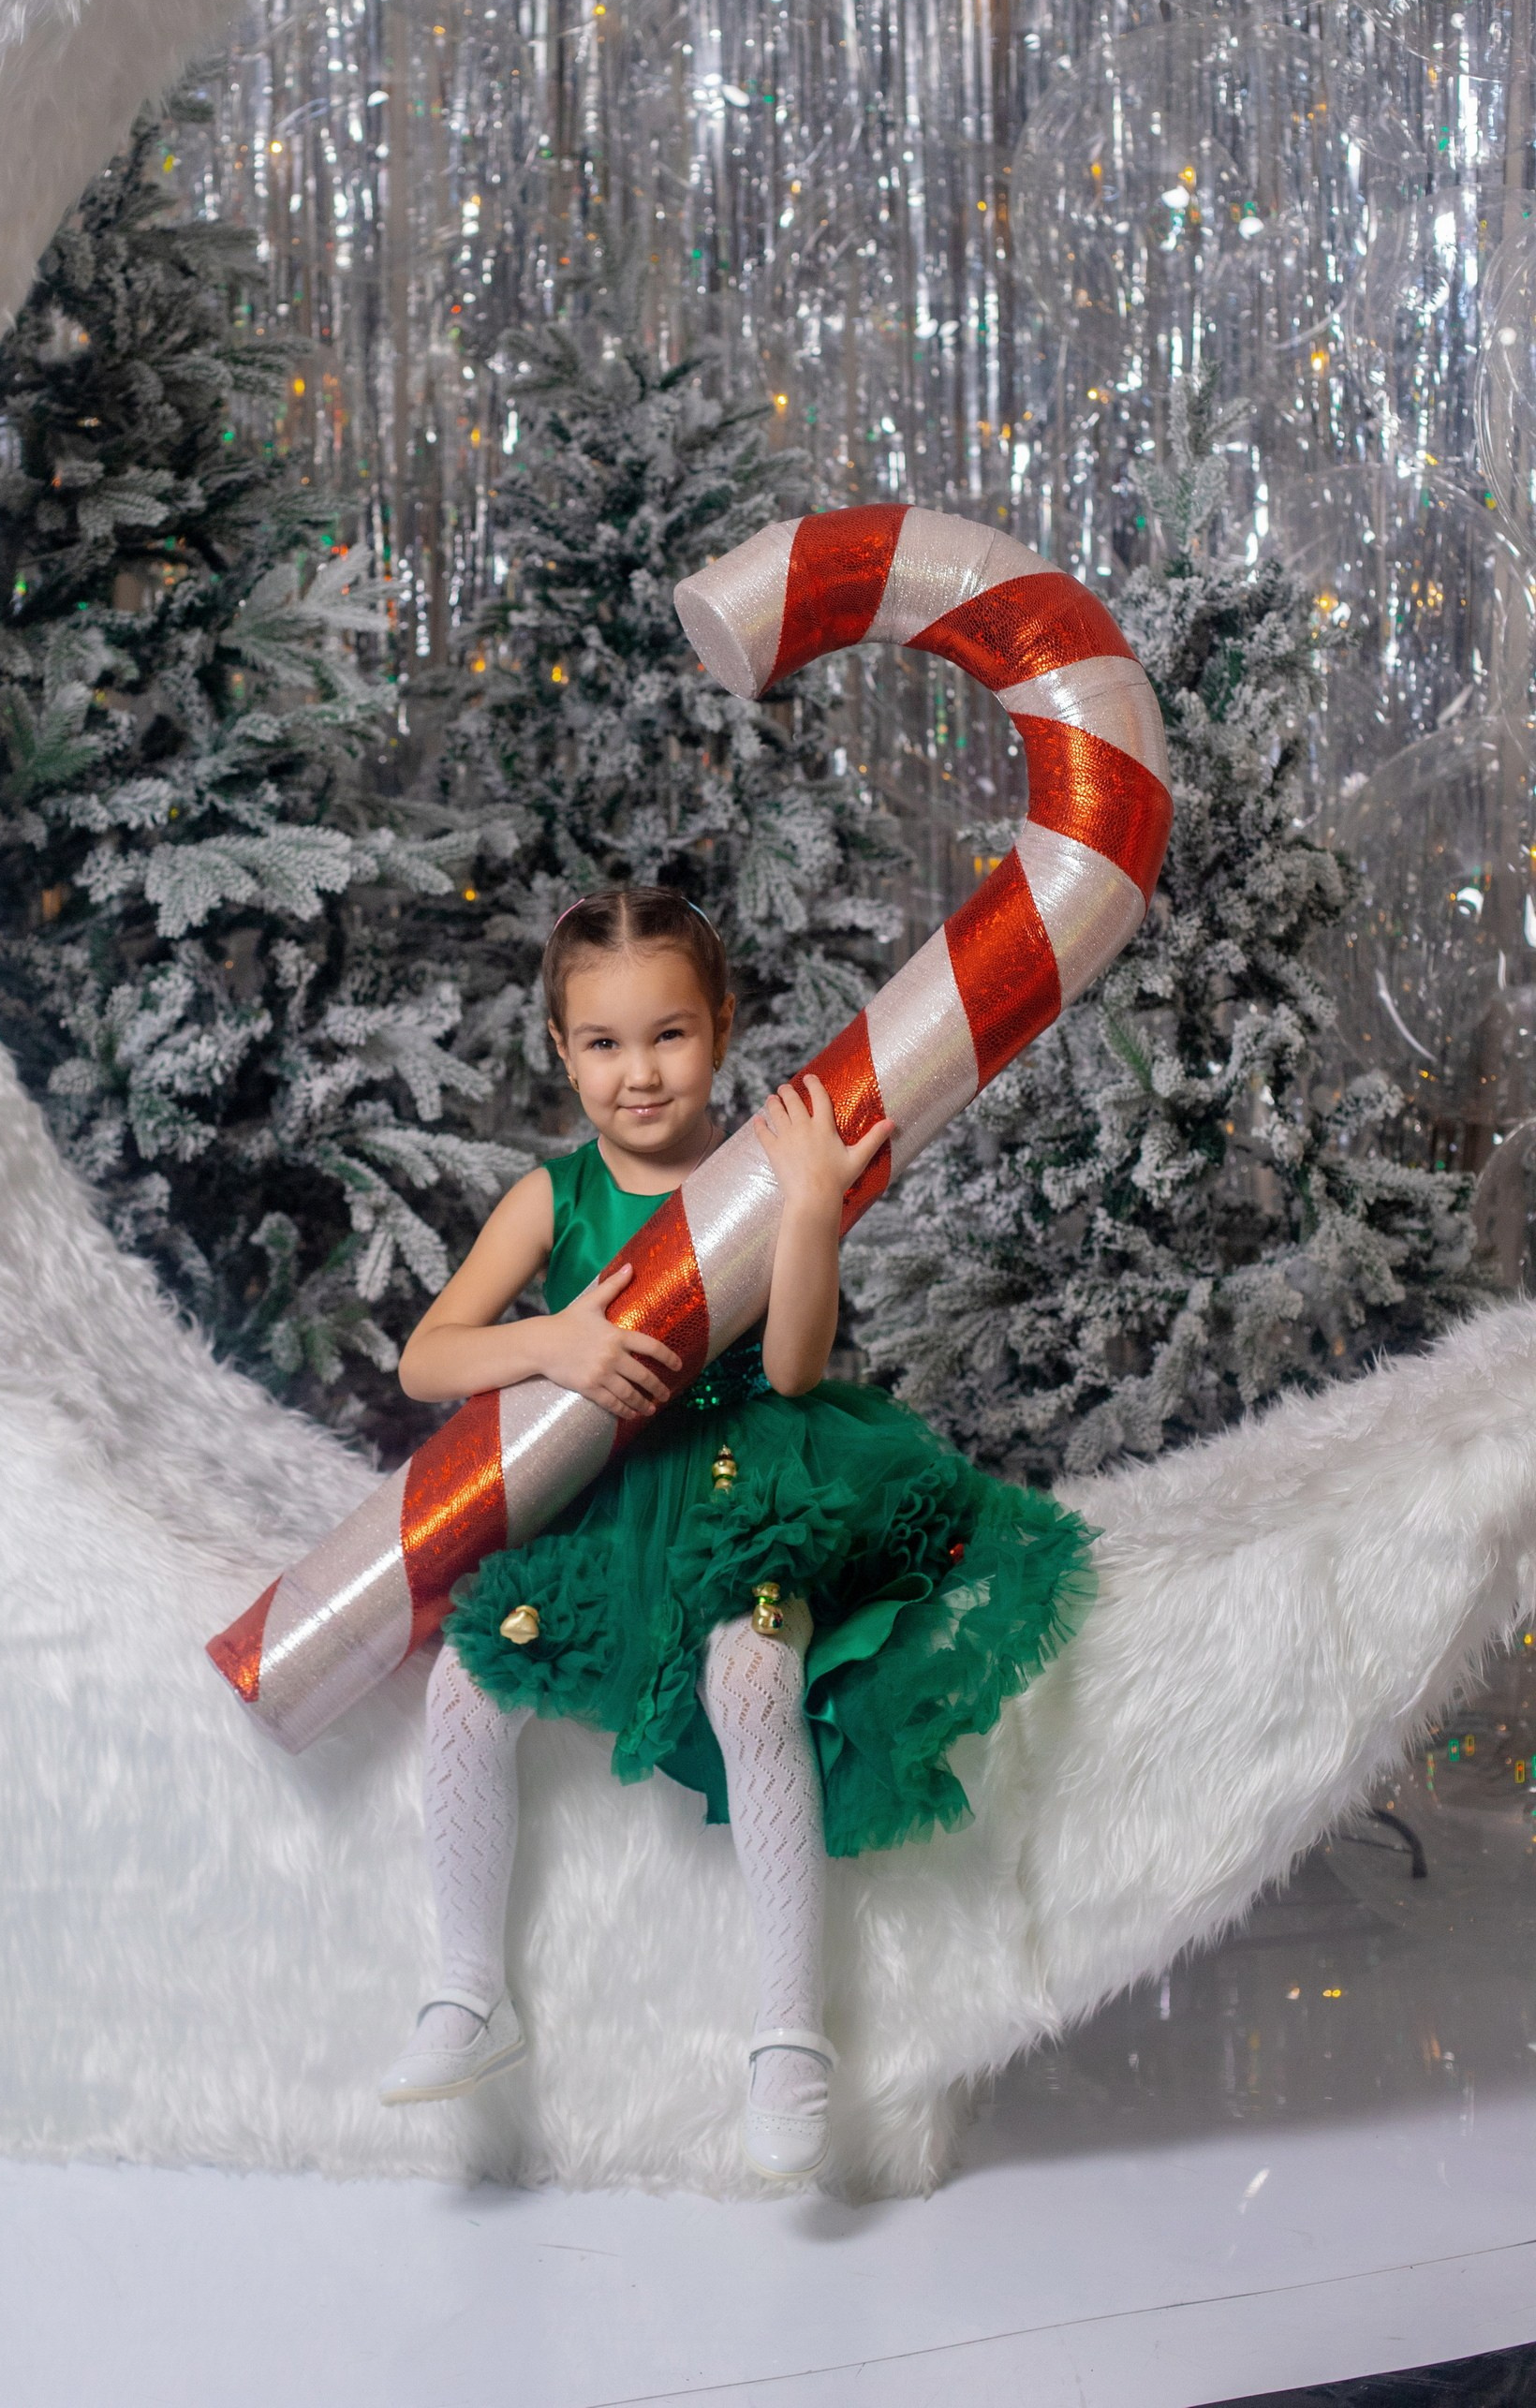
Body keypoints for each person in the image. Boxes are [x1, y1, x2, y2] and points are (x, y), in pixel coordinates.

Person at [378, 884, 1093, 2179]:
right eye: (602, 1045)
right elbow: (431, 1356)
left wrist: (811, 1208)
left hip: (754, 1506)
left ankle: (786, 2040)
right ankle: (467, 1992)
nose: (638, 1074)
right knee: (473, 1684)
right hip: (605, 1507)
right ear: (560, 1048)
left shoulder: (759, 1174)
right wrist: (556, 1341)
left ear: (722, 1027)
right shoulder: (551, 1202)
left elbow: (801, 1365)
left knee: (755, 1672)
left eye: (669, 1036)